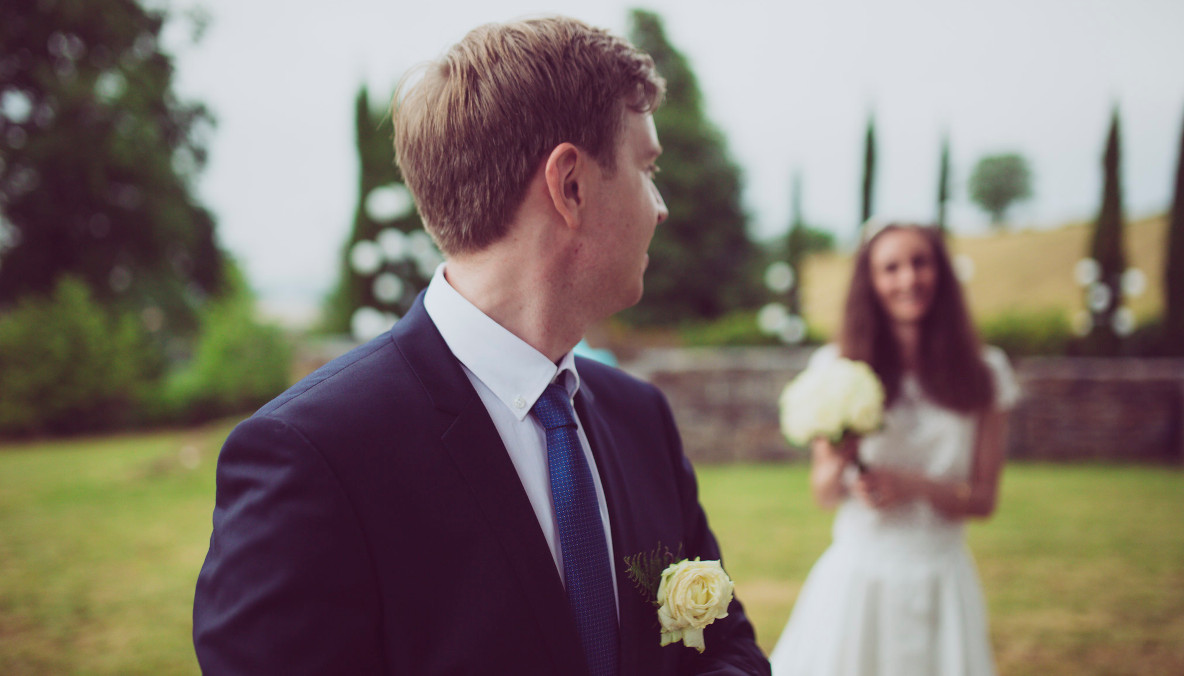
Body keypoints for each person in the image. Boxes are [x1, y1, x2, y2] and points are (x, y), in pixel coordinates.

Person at [192, 16, 769, 676]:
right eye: (646, 168)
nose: (660, 207)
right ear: (571, 186)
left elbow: (728, 649)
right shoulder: (313, 456)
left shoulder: (642, 420)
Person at [769, 222, 1019, 676]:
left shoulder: (986, 372)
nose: (909, 279)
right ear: (871, 283)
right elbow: (823, 494)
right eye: (891, 268)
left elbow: (984, 500)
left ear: (940, 271)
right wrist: (845, 453)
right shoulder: (838, 369)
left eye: (920, 263)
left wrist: (913, 486)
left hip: (942, 574)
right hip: (859, 580)